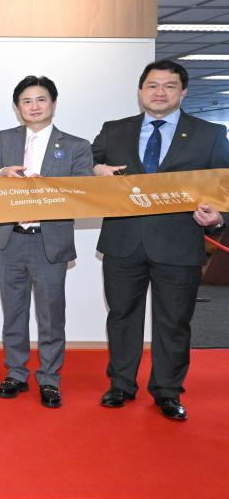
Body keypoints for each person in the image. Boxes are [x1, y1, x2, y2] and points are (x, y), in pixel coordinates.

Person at [92, 59, 229, 421]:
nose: (159, 92)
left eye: (169, 86)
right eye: (152, 85)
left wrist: (218, 219)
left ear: (183, 93)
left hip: (180, 244)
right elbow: (84, 168)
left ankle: (167, 391)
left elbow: (225, 187)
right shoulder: (113, 130)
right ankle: (121, 384)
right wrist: (96, 171)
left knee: (174, 321)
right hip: (124, 243)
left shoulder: (209, 134)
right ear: (140, 91)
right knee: (122, 317)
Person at [0, 76, 92, 409]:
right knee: (14, 313)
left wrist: (47, 186)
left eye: (41, 100)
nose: (34, 107)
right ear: (18, 107)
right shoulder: (5, 139)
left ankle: (49, 378)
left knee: (51, 315)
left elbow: (83, 194)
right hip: (11, 239)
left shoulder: (76, 145)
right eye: (27, 101)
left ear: (53, 104)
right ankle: (16, 373)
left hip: (49, 241)